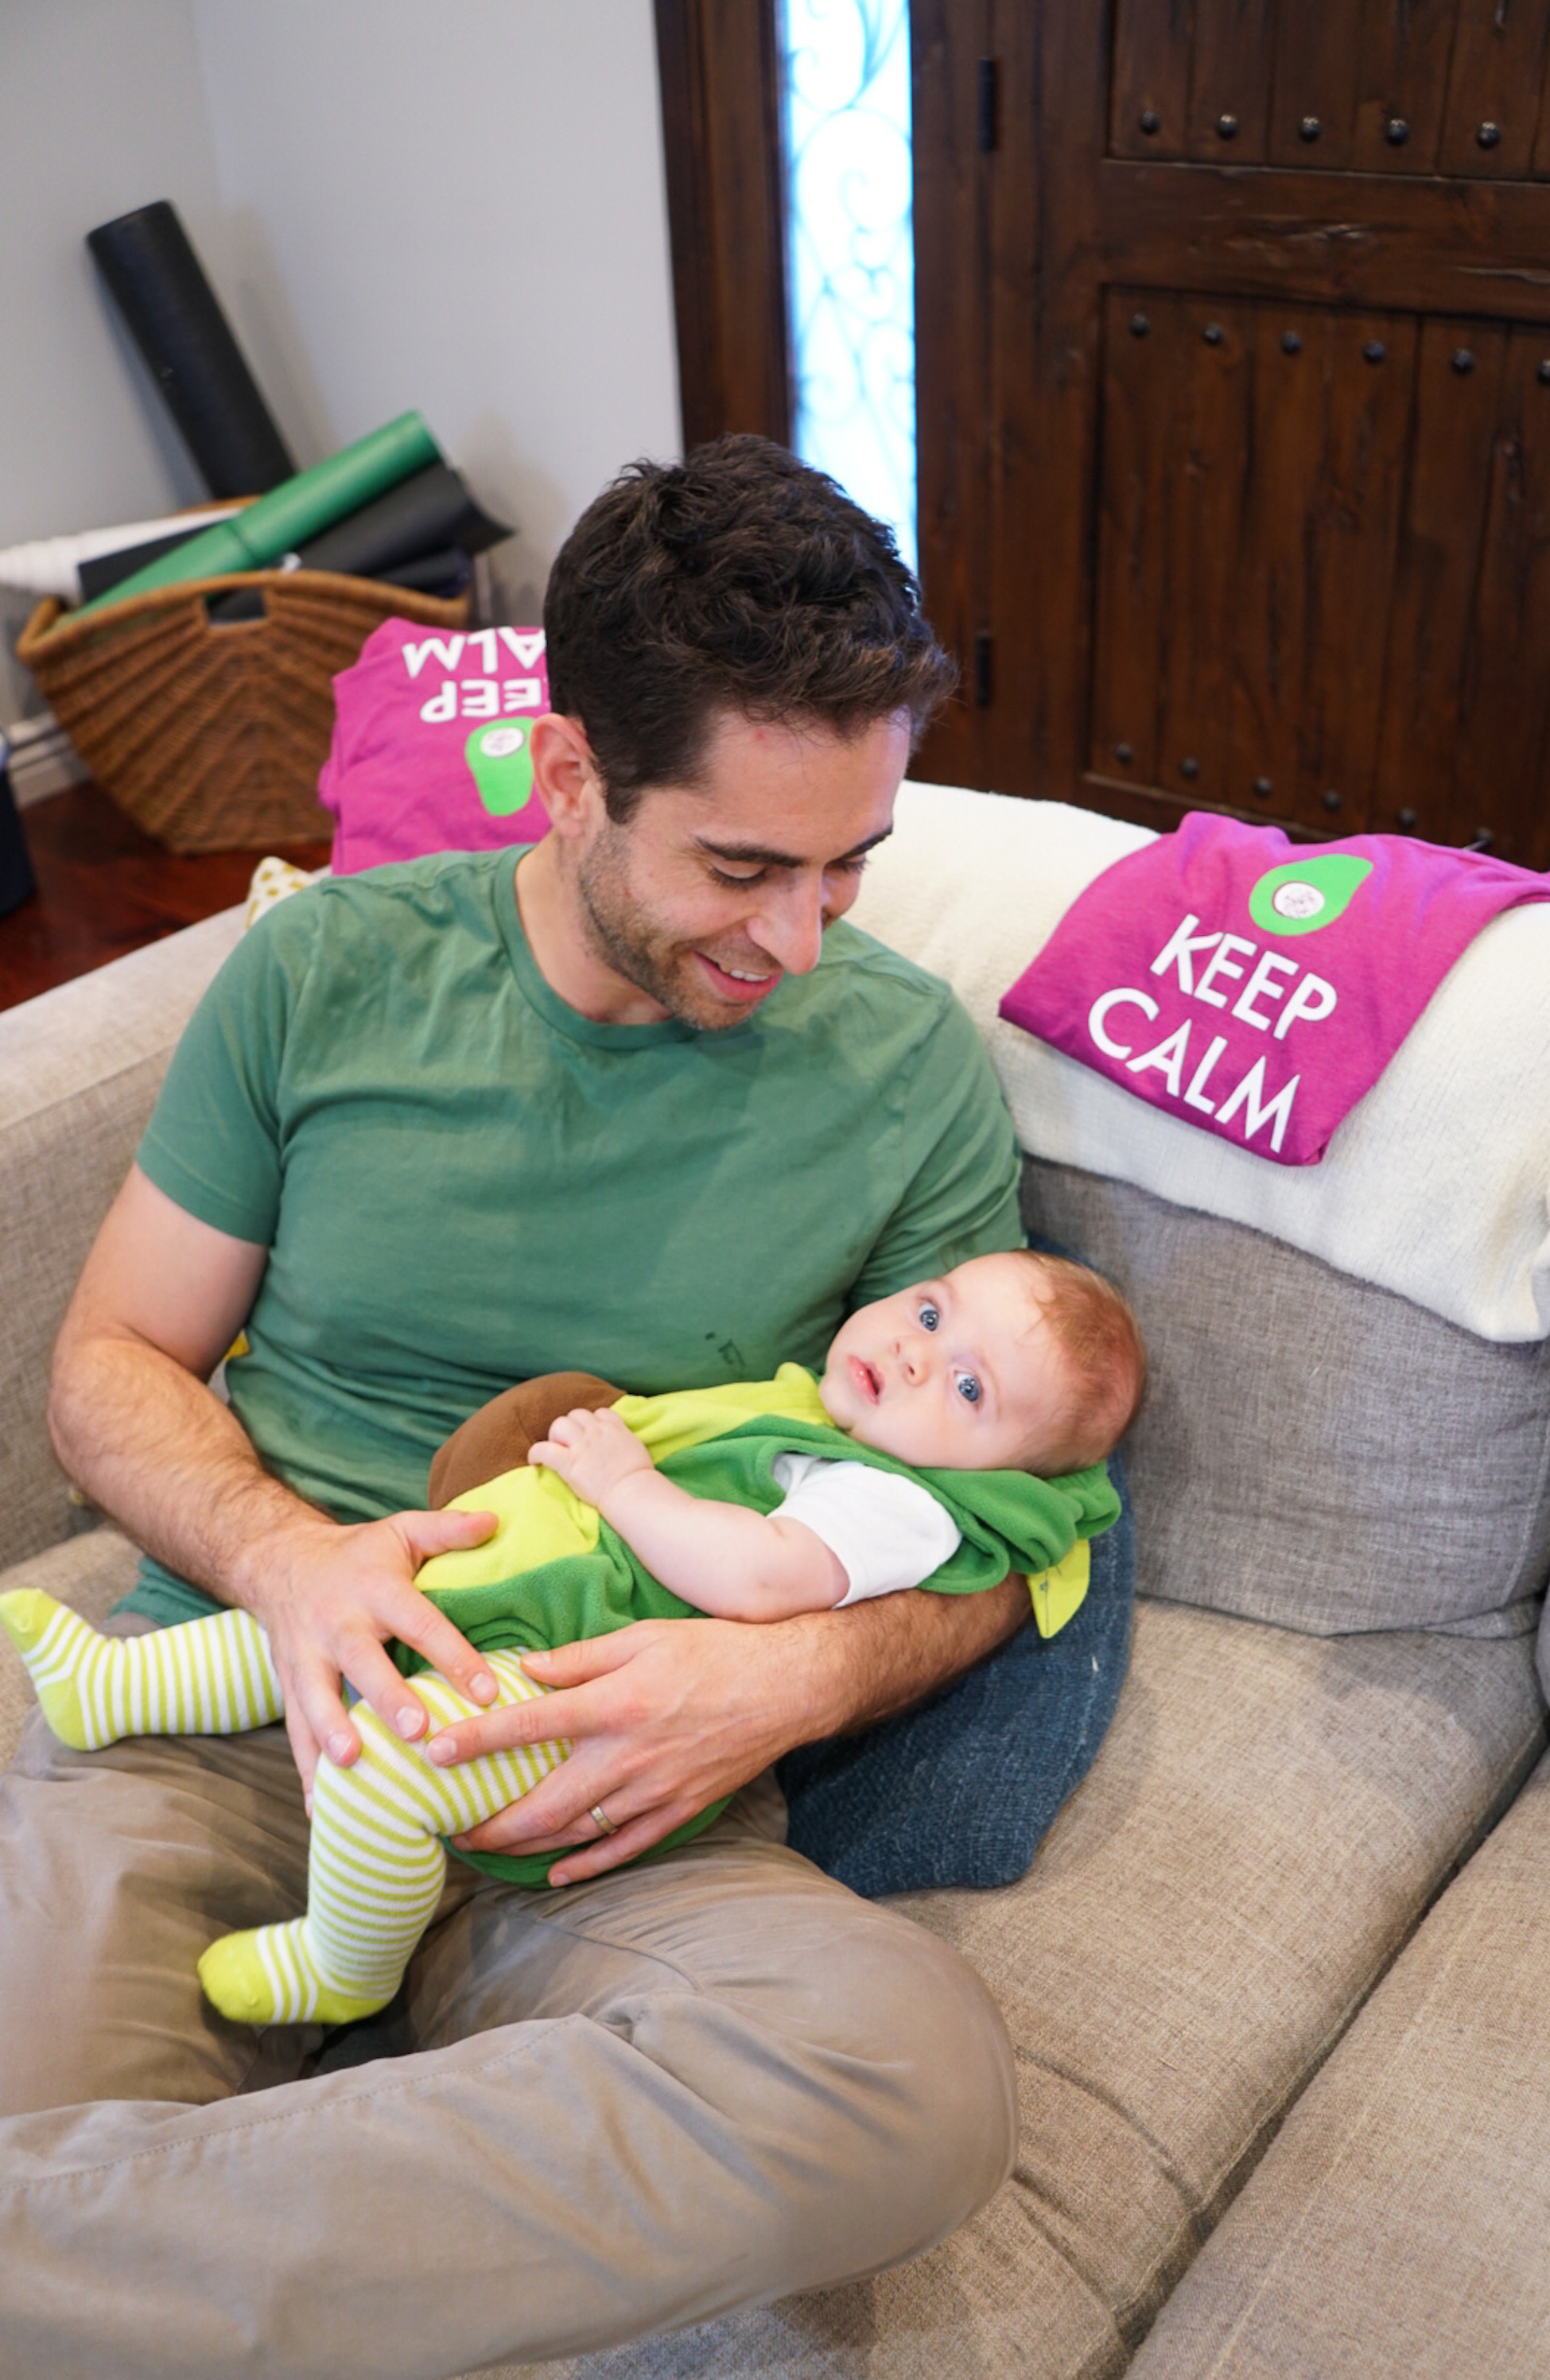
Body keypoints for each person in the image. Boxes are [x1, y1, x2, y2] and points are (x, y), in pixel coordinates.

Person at [0, 437, 1051, 2378]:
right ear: (570, 774)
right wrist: (287, 1562)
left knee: (906, 2076)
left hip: (597, 1789)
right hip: (231, 1718)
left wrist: (786, 1678)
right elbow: (110, 1361)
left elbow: (1013, 1526)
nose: (801, 938)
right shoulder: (323, 971)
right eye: (741, 866)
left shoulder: (903, 1062)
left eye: (848, 864)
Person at [2, 1250, 1143, 2029]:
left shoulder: (902, 1502)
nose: (918, 1353)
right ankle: (122, 1684)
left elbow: (756, 1575)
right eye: (931, 1313)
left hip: (580, 1689)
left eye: (971, 1388)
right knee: (327, 1630)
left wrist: (626, 1483)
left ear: (1005, 1471)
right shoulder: (821, 1417)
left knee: (388, 1758)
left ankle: (343, 1963)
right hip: (509, 1606)